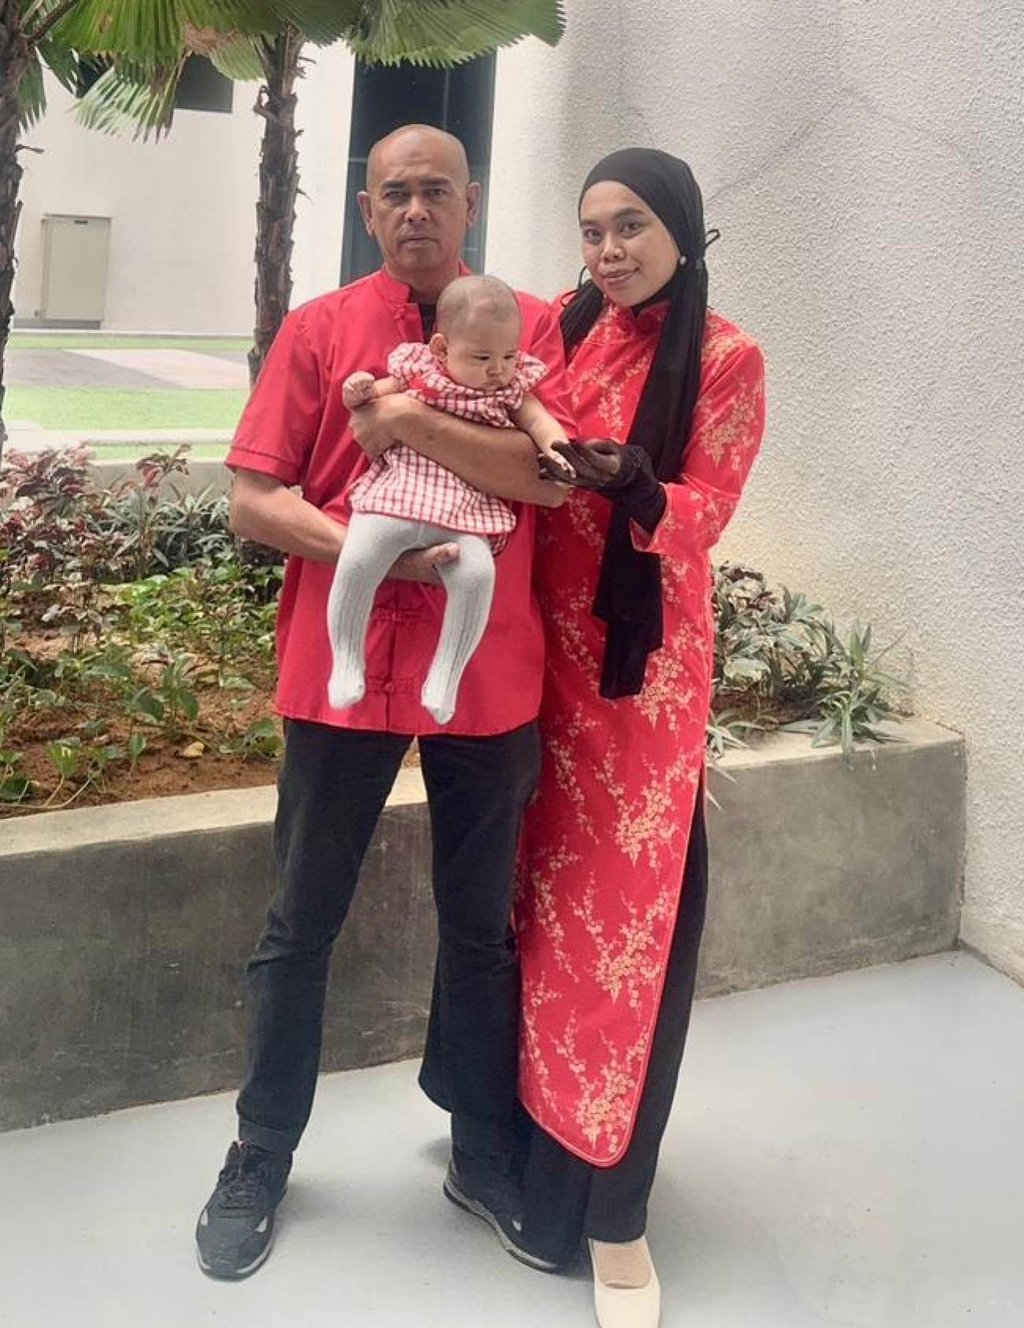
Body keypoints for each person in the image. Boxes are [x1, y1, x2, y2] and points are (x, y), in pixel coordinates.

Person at [194, 123, 573, 1281]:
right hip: (341, 664)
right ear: (368, 209)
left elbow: (547, 481)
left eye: (437, 192)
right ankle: (261, 1145)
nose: (417, 209)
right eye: (396, 193)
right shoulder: (321, 330)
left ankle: (480, 1143)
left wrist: (410, 425)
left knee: (480, 926)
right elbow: (254, 498)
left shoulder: (533, 326)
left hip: (485, 667)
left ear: (472, 203)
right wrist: (381, 553)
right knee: (298, 920)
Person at [405, 148, 766, 1327]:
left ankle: (612, 1215)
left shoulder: (723, 357)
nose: (610, 250)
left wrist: (632, 483)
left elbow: (707, 509)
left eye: (632, 227)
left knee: (614, 927)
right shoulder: (558, 328)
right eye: (594, 229)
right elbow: (497, 418)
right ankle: (493, 1141)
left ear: (681, 229)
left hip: (637, 679)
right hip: (528, 657)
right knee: (516, 901)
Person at [327, 273, 572, 726]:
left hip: (464, 509)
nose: (497, 369)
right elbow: (372, 396)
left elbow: (540, 421)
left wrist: (558, 447)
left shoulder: (509, 387)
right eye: (481, 357)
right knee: (359, 557)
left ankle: (445, 675)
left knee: (478, 575)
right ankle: (346, 658)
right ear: (440, 349)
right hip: (399, 494)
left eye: (508, 355)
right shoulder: (419, 371)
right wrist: (359, 388)